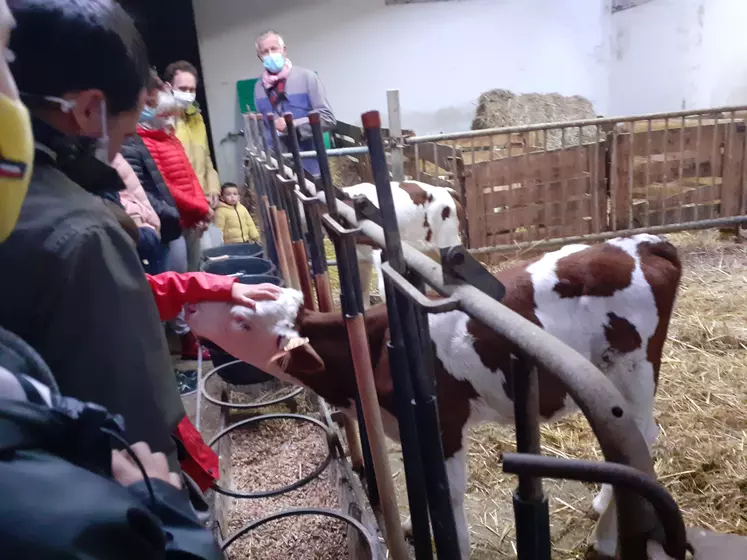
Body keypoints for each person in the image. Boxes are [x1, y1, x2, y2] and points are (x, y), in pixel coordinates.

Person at [0, 1, 221, 557]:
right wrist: (176, 519)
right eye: (126, 128)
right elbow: (139, 433)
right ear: (89, 110)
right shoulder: (82, 233)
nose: (124, 144)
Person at [136, 69, 213, 360]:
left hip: (191, 217)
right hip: (172, 221)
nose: (170, 116)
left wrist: (201, 205)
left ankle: (193, 334)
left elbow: (191, 175)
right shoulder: (143, 142)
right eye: (164, 110)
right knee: (175, 277)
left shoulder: (168, 137)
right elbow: (163, 187)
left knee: (191, 273)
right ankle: (183, 339)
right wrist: (198, 207)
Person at [253, 30, 336, 177]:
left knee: (313, 198)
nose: (270, 54)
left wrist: (294, 124)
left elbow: (327, 118)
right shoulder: (259, 88)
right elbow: (264, 129)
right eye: (265, 51)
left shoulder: (307, 78)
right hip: (277, 168)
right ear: (260, 56)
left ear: (284, 50)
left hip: (309, 165)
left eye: (274, 49)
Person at [165, 60, 221, 212]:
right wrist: (192, 203)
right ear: (168, 88)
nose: (188, 95)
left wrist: (214, 188)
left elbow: (206, 159)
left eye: (192, 90)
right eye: (182, 89)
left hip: (205, 202)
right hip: (181, 206)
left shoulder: (197, 118)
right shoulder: (163, 122)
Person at [111, 152, 165, 274]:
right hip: (132, 232)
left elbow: (137, 193)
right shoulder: (98, 154)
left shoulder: (114, 154)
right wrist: (138, 214)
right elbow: (110, 200)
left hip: (149, 226)